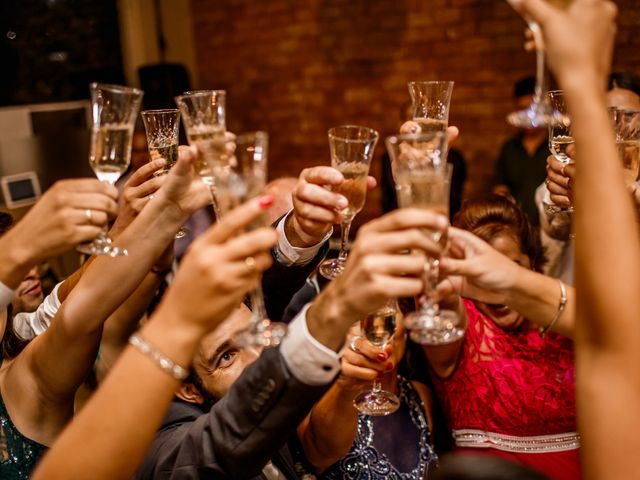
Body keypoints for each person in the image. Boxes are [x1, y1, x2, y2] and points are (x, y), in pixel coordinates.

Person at [32, 207, 448, 480]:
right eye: (227, 356)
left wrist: (299, 234)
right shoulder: (167, 446)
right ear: (189, 388)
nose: (259, 358)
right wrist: (331, 310)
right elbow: (218, 447)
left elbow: (280, 303)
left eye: (254, 337)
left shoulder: (274, 403)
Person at [515, 0, 635, 478]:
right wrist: (568, 200)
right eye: (608, 121)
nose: (618, 133)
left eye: (629, 123)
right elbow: (554, 229)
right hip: (573, 338)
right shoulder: (570, 170)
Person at [423, 196, 578, 480]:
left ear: (531, 265)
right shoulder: (463, 319)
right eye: (483, 275)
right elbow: (440, 306)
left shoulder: (567, 322)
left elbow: (617, 322)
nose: (495, 288)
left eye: (512, 266)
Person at [297, 313, 438, 479]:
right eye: (360, 314)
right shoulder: (316, 394)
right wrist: (348, 384)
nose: (377, 327)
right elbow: (319, 454)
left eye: (386, 311)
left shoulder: (421, 395)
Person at [535, 70, 640, 285]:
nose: (620, 125)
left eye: (629, 115)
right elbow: (556, 226)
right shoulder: (577, 169)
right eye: (609, 115)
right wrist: (565, 190)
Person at [493, 76, 550, 226]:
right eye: (522, 109)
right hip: (519, 228)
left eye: (532, 109)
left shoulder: (557, 146)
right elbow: (501, 187)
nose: (528, 116)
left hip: (554, 229)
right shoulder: (509, 148)